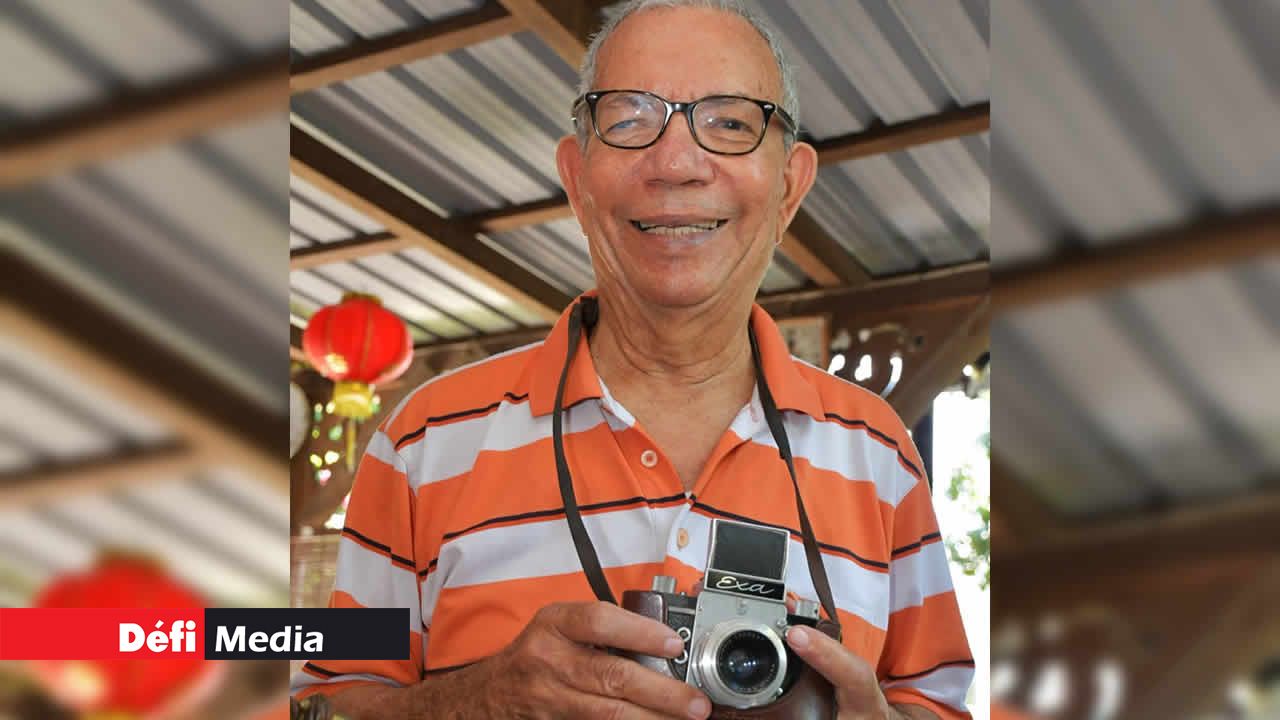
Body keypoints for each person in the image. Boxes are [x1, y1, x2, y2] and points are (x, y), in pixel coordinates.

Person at [291, 1, 973, 718]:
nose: (676, 163)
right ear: (577, 181)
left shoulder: (880, 452)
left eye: (731, 123)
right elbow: (321, 706)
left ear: (790, 188)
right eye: (628, 120)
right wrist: (476, 701)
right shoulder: (421, 440)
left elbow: (941, 704)